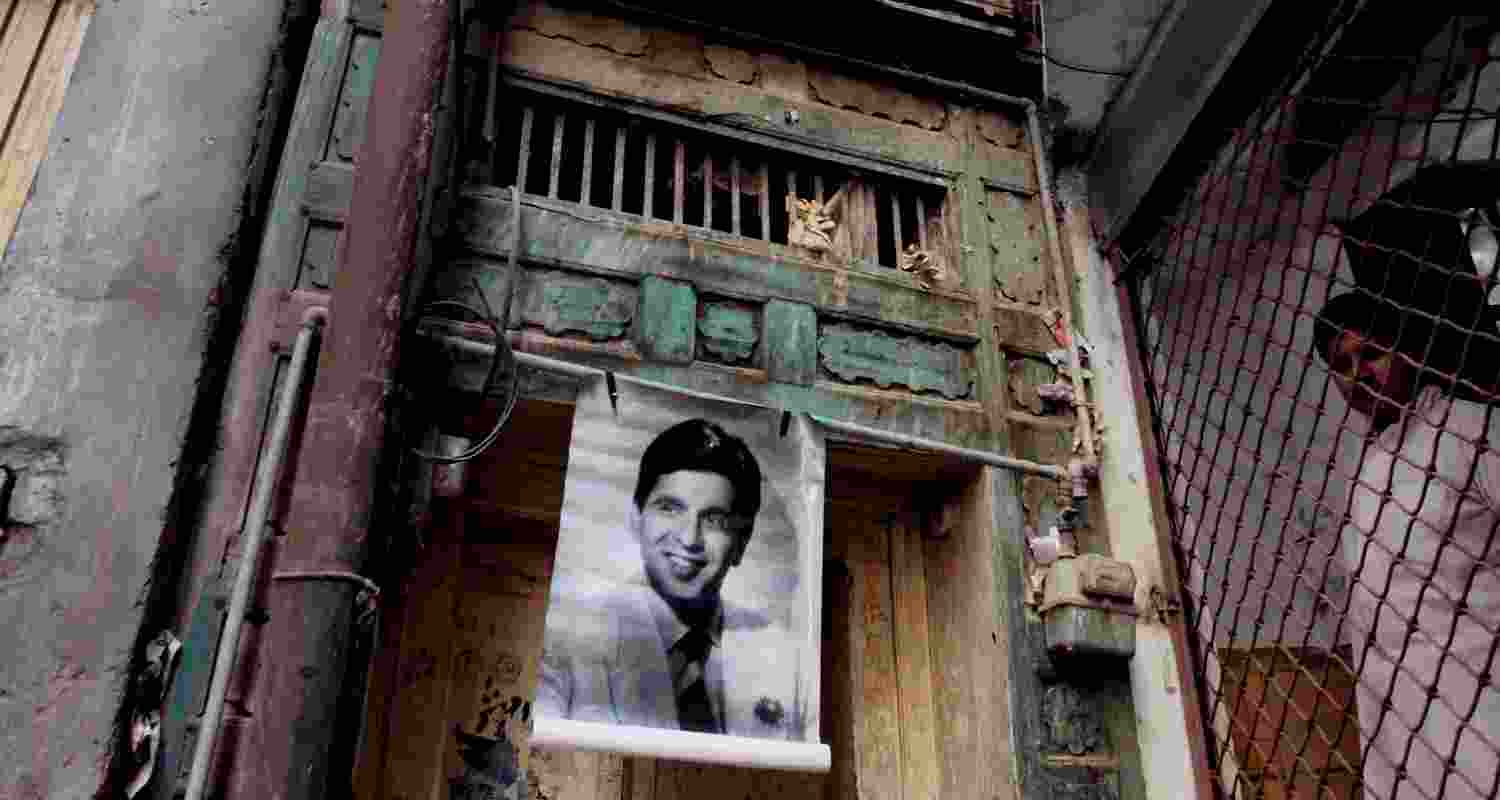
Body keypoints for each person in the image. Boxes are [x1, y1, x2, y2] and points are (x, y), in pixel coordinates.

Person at [1314, 291, 1500, 800]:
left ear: (1407, 354)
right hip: (1398, 729)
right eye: (1343, 365)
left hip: (1480, 712)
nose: (1360, 374)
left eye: (1372, 354)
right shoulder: (1366, 468)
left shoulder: (1469, 429)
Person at [535, 418, 805, 740]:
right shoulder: (567, 641)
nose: (689, 539)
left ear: (741, 542)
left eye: (714, 519)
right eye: (670, 508)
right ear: (636, 520)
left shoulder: (785, 657)